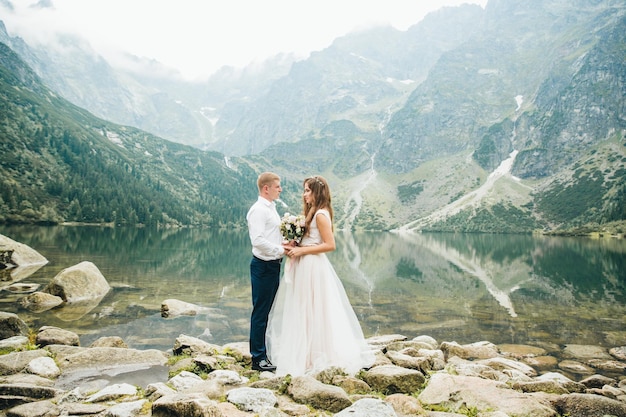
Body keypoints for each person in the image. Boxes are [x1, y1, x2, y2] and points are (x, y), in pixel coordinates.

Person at [266, 175, 375, 376]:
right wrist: (294, 245)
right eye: (305, 190)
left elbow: (330, 245)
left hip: (313, 267)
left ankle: (318, 356)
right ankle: (307, 356)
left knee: (313, 309)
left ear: (317, 192)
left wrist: (301, 251)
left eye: (307, 190)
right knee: (304, 309)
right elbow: (310, 240)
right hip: (304, 265)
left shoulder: (321, 215)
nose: (304, 194)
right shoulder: (312, 213)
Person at [246, 172, 289, 372]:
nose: (280, 189)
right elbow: (258, 241)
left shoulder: (271, 209)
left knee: (266, 311)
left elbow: (271, 236)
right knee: (260, 312)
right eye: (277, 186)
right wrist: (281, 250)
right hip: (263, 266)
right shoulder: (258, 210)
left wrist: (285, 245)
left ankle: (263, 353)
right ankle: (258, 358)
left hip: (273, 266)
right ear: (266, 188)